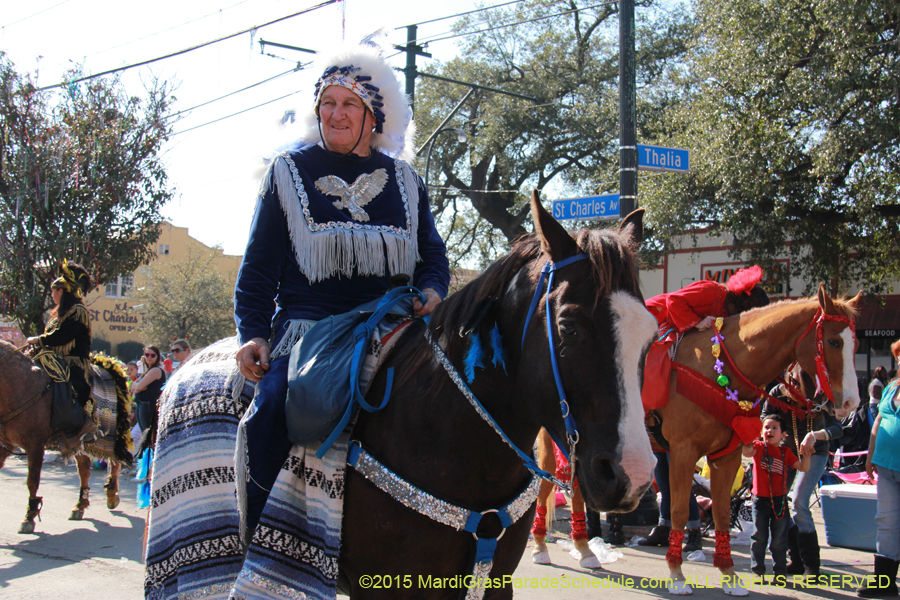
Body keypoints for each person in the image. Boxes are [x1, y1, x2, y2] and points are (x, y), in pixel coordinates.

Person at [233, 42, 450, 535]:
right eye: (327, 102)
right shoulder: (287, 173)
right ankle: (257, 545)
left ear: (374, 117)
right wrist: (253, 333)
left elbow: (432, 256)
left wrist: (434, 289)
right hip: (308, 332)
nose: (336, 113)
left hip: (394, 325)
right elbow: (259, 268)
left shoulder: (407, 181)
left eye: (350, 103)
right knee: (269, 409)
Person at [764, 367, 843, 580]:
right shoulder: (778, 393)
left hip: (814, 453)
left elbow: (838, 428)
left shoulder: (822, 396)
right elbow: (765, 417)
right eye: (796, 388)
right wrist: (776, 432)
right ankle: (796, 558)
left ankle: (811, 565)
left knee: (799, 502)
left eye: (804, 391)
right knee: (777, 502)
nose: (799, 394)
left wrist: (817, 435)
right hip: (787, 452)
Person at [25, 260, 98, 439]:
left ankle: (86, 423)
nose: (51, 295)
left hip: (72, 361)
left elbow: (63, 336)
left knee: (75, 384)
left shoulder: (78, 311)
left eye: (53, 291)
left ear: (62, 291)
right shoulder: (56, 317)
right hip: (52, 358)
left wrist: (38, 339)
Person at [743, 414, 812, 584]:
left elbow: (803, 467)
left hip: (780, 501)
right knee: (759, 537)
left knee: (779, 540)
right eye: (766, 428)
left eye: (775, 428)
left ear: (783, 435)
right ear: (761, 433)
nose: (770, 431)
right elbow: (746, 451)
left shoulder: (786, 452)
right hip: (760, 501)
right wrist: (747, 435)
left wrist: (807, 455)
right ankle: (758, 571)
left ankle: (780, 573)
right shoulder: (757, 447)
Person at [858, 340, 900, 597]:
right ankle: (884, 582)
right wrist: (870, 455)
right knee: (886, 521)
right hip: (885, 465)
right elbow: (879, 422)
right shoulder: (891, 388)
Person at [645, 266, 770, 335]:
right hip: (649, 319)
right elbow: (674, 300)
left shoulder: (725, 311)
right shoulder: (713, 291)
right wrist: (697, 323)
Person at [132, 346, 166, 433]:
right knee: (144, 433)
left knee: (148, 434)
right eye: (147, 355)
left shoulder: (156, 370)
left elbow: (138, 387)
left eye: (152, 355)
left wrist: (137, 386)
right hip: (141, 403)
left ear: (157, 356)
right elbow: (134, 385)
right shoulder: (147, 371)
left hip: (148, 405)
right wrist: (137, 386)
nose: (149, 357)